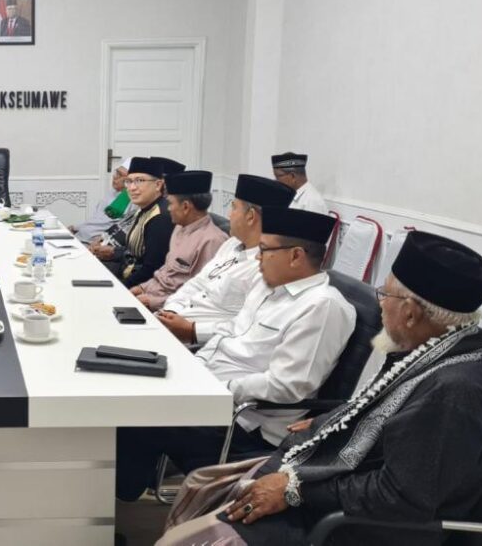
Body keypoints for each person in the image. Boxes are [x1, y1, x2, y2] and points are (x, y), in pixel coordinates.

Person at [160, 231, 482, 546]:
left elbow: (400, 497)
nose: (380, 302)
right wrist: (330, 419)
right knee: (204, 485)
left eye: (385, 294)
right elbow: (384, 413)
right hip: (336, 483)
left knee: (205, 533)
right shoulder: (438, 349)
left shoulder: (456, 392)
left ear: (411, 313)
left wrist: (296, 489)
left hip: (354, 526)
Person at [117, 207, 355, 501]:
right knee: (130, 384)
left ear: (295, 256)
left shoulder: (322, 307)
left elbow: (289, 385)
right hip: (211, 393)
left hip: (245, 423)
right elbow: (230, 332)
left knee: (138, 412)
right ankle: (120, 488)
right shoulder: (267, 287)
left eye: (264, 250)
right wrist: (195, 366)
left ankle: (116, 497)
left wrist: (218, 388)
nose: (257, 258)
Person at [157, 175, 295, 344]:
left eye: (233, 207)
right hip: (175, 322)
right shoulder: (231, 243)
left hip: (202, 342)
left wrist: (192, 330)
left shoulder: (267, 266)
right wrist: (172, 310)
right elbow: (197, 283)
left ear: (251, 216)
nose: (229, 215)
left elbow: (245, 326)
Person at [131, 170, 227, 311]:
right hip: (150, 295)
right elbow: (167, 272)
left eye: (170, 203)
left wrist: (153, 301)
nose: (168, 208)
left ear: (186, 207)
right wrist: (141, 288)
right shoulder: (179, 227)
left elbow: (201, 292)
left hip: (170, 309)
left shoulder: (212, 241)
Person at [93, 157, 176, 287]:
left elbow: (151, 270)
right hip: (124, 271)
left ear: (158, 185)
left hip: (139, 286)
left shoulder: (161, 217)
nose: (131, 188)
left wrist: (121, 288)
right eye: (129, 181)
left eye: (139, 181)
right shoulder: (143, 209)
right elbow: (134, 251)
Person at [70, 159, 136, 244]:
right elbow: (97, 219)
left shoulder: (131, 200)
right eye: (116, 172)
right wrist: (76, 227)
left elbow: (117, 229)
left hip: (93, 243)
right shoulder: (112, 192)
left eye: (120, 175)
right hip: (81, 236)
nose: (115, 177)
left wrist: (103, 241)